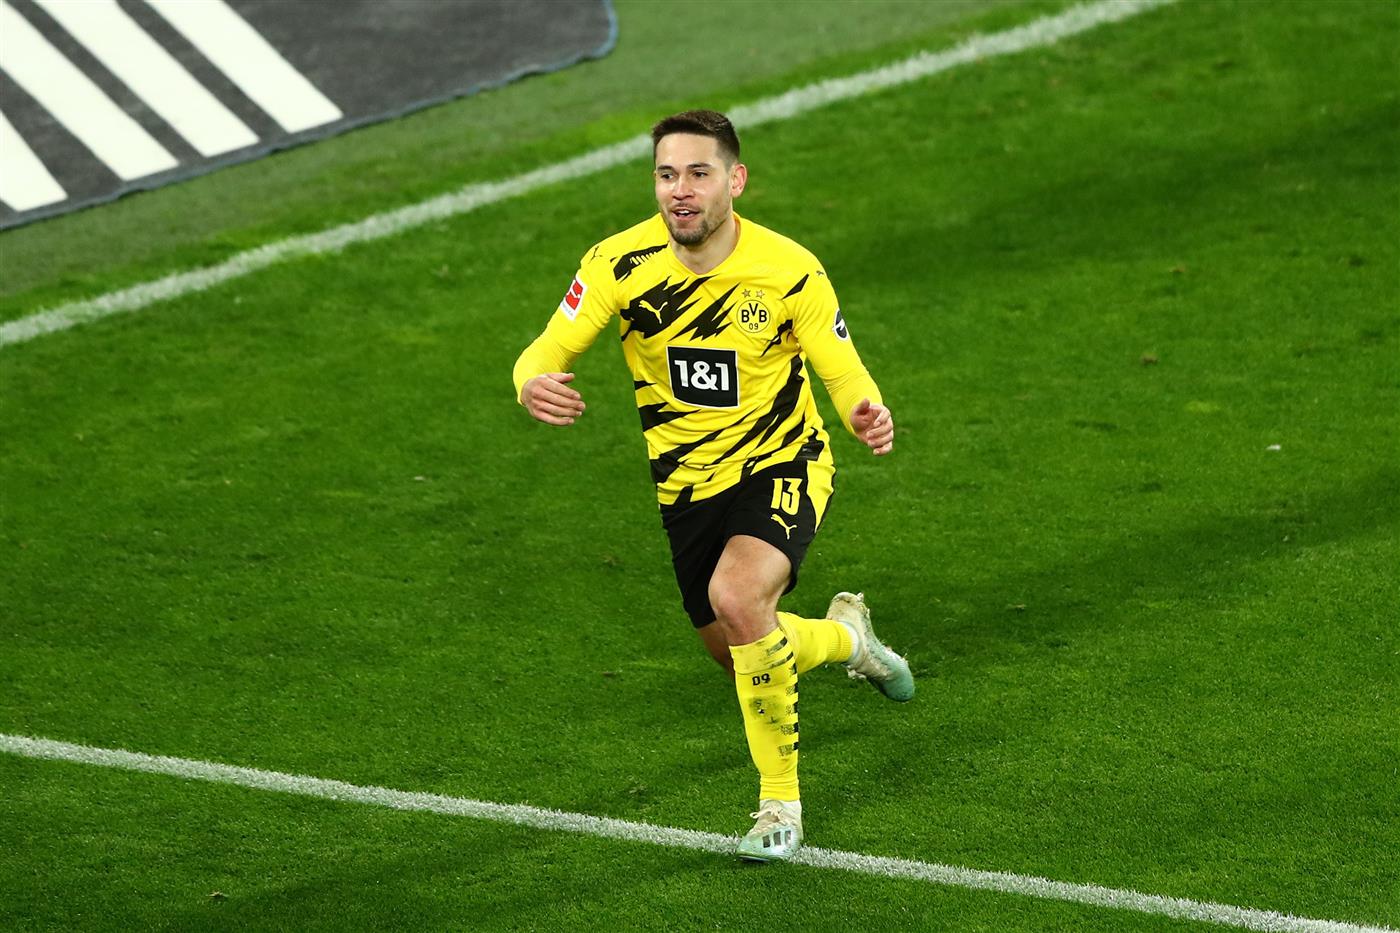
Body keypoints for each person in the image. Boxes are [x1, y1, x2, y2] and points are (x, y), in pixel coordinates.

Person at [512, 109, 913, 862]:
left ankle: (779, 806)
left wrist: (866, 410)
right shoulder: (618, 264)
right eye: (667, 174)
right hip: (687, 489)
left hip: (783, 463)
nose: (681, 190)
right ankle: (848, 639)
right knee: (740, 651)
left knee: (738, 598)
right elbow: (546, 348)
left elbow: (842, 369)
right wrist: (530, 381)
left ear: (736, 180)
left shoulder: (789, 269)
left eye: (699, 173)